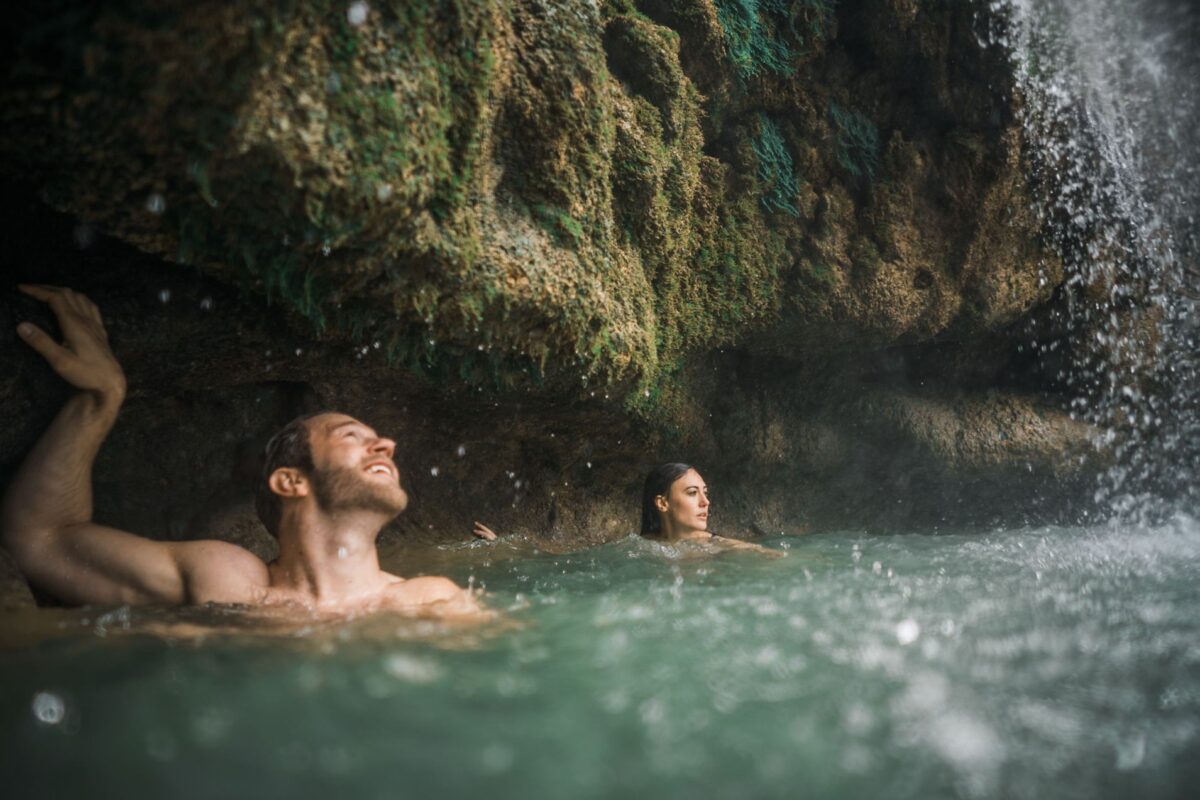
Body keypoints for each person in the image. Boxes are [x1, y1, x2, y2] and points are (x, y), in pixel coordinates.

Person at [0, 285, 481, 616]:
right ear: (291, 480)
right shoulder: (226, 580)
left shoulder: (430, 601)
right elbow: (42, 542)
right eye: (351, 435)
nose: (387, 443)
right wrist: (101, 399)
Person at [640, 462, 783, 556]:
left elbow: (774, 556)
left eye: (705, 493)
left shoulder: (725, 546)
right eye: (692, 493)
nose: (705, 502)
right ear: (662, 504)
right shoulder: (642, 546)